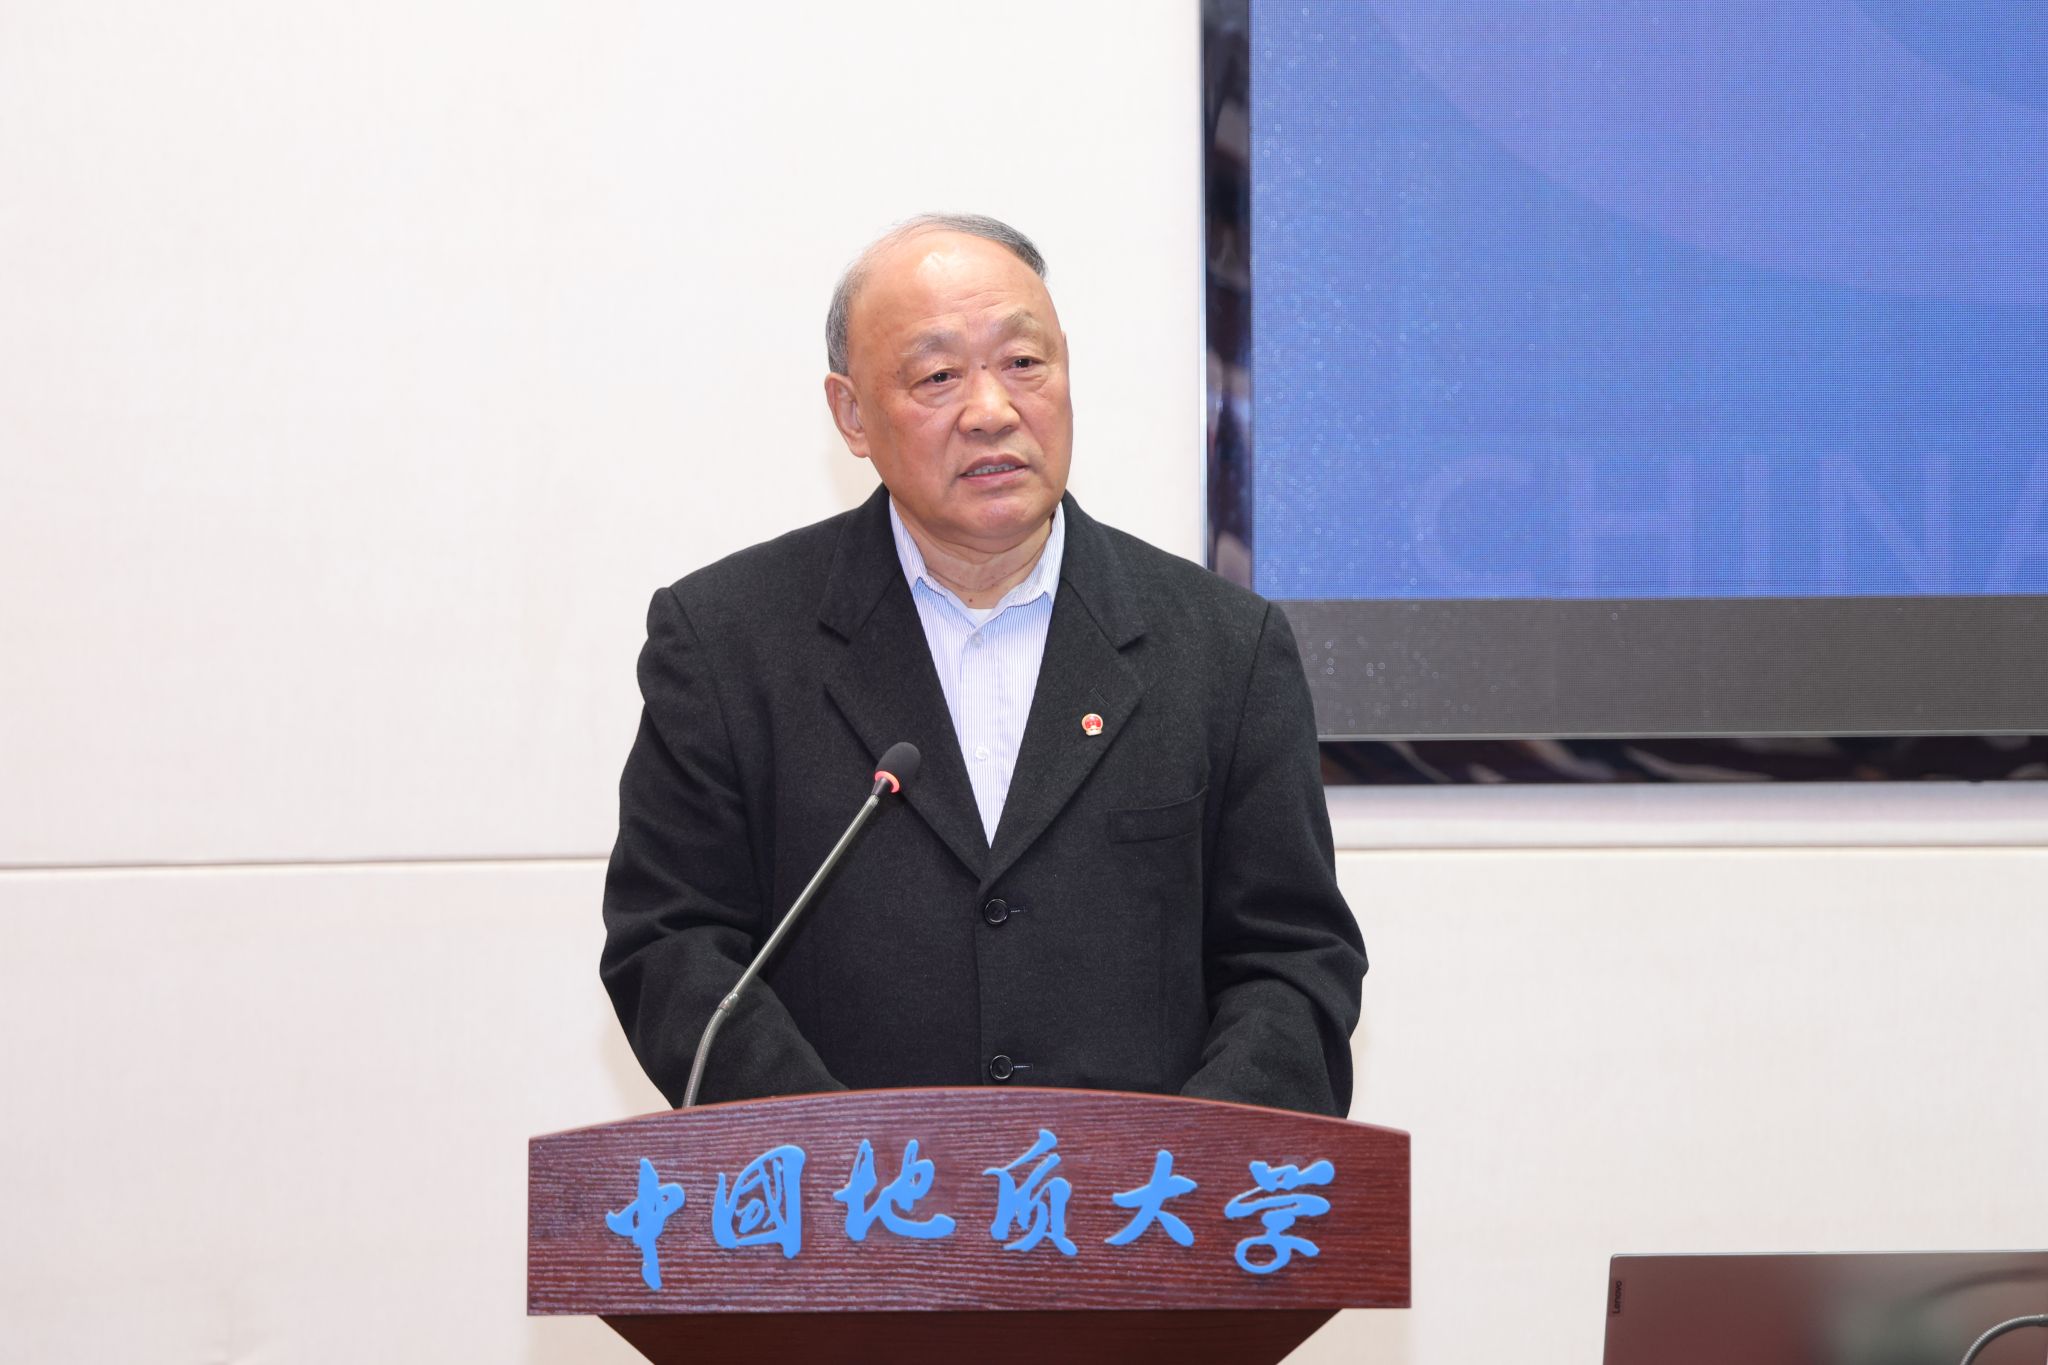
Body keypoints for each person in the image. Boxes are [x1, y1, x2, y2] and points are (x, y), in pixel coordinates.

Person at [600, 214, 1366, 1117]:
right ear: (852, 414)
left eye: (1024, 362)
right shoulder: (727, 641)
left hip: (1146, 1201)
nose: (993, 410)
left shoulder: (1224, 648)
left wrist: (1176, 1177)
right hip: (844, 1196)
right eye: (937, 376)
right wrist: (847, 1165)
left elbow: (1292, 962)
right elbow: (674, 946)